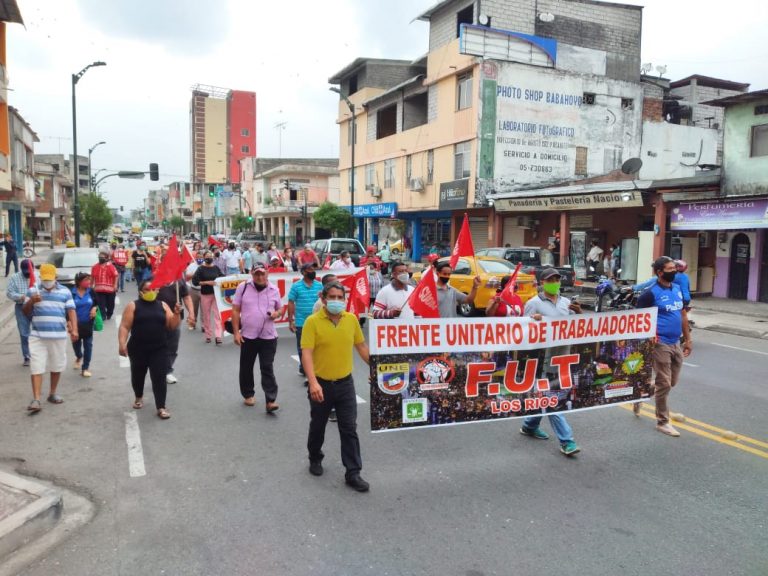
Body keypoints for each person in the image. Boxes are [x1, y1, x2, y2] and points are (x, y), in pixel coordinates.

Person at [302, 281, 371, 492]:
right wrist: (313, 382)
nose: (336, 301)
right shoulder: (312, 322)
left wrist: (377, 370)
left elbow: (361, 347)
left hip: (345, 385)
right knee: (318, 425)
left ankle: (353, 472)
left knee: (349, 428)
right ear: (323, 299)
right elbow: (306, 353)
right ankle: (315, 456)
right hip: (321, 384)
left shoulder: (351, 320)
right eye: (332, 297)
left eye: (340, 298)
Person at [519, 267, 582, 456]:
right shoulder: (533, 303)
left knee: (545, 396)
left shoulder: (566, 302)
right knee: (553, 399)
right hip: (542, 360)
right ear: (542, 283)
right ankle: (567, 441)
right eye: (550, 280)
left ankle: (529, 425)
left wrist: (578, 313)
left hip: (562, 357)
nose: (554, 282)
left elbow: (576, 327)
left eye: (557, 279)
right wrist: (534, 322)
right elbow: (521, 330)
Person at [635, 256, 692, 436]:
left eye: (674, 268)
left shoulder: (676, 289)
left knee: (670, 382)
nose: (674, 271)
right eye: (669, 269)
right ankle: (662, 421)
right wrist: (645, 342)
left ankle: (642, 392)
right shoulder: (650, 294)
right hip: (659, 343)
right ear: (660, 272)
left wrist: (688, 339)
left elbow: (683, 315)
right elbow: (638, 319)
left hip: (675, 342)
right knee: (665, 383)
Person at [118, 280, 181, 419]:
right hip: (138, 348)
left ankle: (161, 407)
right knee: (138, 375)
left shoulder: (163, 305)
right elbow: (124, 326)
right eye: (147, 289)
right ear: (141, 291)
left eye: (153, 289)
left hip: (159, 348)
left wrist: (176, 314)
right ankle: (138, 397)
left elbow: (172, 325)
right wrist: (122, 343)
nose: (150, 292)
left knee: (159, 377)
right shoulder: (133, 306)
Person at [22, 263, 78, 413]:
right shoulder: (33, 290)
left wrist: (75, 330)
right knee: (36, 366)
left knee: (57, 365)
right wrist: (31, 301)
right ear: (40, 277)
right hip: (37, 336)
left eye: (50, 279)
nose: (47, 282)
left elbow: (71, 311)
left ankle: (52, 393)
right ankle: (36, 399)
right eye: (45, 279)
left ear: (55, 278)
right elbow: (25, 312)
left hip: (58, 335)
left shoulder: (65, 292)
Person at [232, 263, 284, 412]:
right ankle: (248, 394)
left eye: (262, 273)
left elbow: (280, 308)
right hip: (248, 335)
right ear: (252, 274)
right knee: (246, 366)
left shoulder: (274, 289)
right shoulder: (243, 288)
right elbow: (235, 310)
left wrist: (277, 314)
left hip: (268, 336)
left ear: (267, 273)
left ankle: (270, 400)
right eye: (257, 274)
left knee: (267, 367)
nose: (260, 277)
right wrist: (236, 332)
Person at [288, 263, 323, 379]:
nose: (312, 271)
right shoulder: (296, 286)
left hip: (317, 322)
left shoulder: (319, 285)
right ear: (303, 272)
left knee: (317, 346)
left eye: (313, 269)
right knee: (302, 347)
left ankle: (313, 368)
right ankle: (304, 368)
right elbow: (291, 303)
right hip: (301, 322)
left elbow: (324, 301)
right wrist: (291, 320)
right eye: (309, 270)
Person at [157, 277, 195, 384]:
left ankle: (167, 371)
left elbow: (186, 297)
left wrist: (191, 313)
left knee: (172, 346)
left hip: (176, 318)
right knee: (158, 346)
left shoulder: (180, 281)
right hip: (157, 318)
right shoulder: (154, 278)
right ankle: (157, 369)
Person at [192, 250, 225, 344]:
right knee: (206, 316)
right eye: (207, 256)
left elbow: (223, 277)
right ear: (204, 257)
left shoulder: (216, 268)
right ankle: (208, 335)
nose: (209, 258)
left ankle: (218, 336)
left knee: (217, 316)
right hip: (205, 294)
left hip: (216, 295)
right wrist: (206, 282)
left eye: (210, 256)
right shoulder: (200, 269)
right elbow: (195, 281)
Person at [6, 258, 34, 366]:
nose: (28, 274)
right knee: (24, 333)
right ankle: (27, 356)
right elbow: (9, 293)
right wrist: (21, 297)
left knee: (38, 332)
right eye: (25, 272)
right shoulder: (15, 277)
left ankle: (37, 354)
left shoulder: (37, 276)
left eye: (29, 272)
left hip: (35, 307)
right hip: (21, 307)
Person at [71, 272, 98, 378]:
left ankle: (85, 368)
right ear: (79, 282)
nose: (89, 282)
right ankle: (78, 356)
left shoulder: (91, 291)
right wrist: (70, 324)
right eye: (86, 280)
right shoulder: (71, 293)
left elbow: (96, 302)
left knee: (88, 346)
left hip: (88, 324)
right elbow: (67, 310)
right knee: (76, 347)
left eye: (89, 279)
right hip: (75, 325)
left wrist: (94, 308)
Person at [91, 249, 119, 320]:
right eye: (99, 257)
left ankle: (109, 313)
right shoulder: (95, 267)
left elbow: (116, 276)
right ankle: (103, 316)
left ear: (106, 258)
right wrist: (91, 286)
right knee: (101, 304)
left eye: (102, 257)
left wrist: (115, 285)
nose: (101, 259)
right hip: (99, 290)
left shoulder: (111, 266)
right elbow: (92, 277)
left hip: (110, 289)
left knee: (110, 304)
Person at [185, 250, 205, 331]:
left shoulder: (206, 266)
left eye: (201, 258)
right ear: (196, 258)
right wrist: (195, 274)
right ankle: (193, 323)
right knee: (193, 309)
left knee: (204, 309)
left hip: (204, 290)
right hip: (194, 290)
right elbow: (187, 277)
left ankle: (204, 325)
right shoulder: (191, 266)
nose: (199, 259)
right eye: (198, 257)